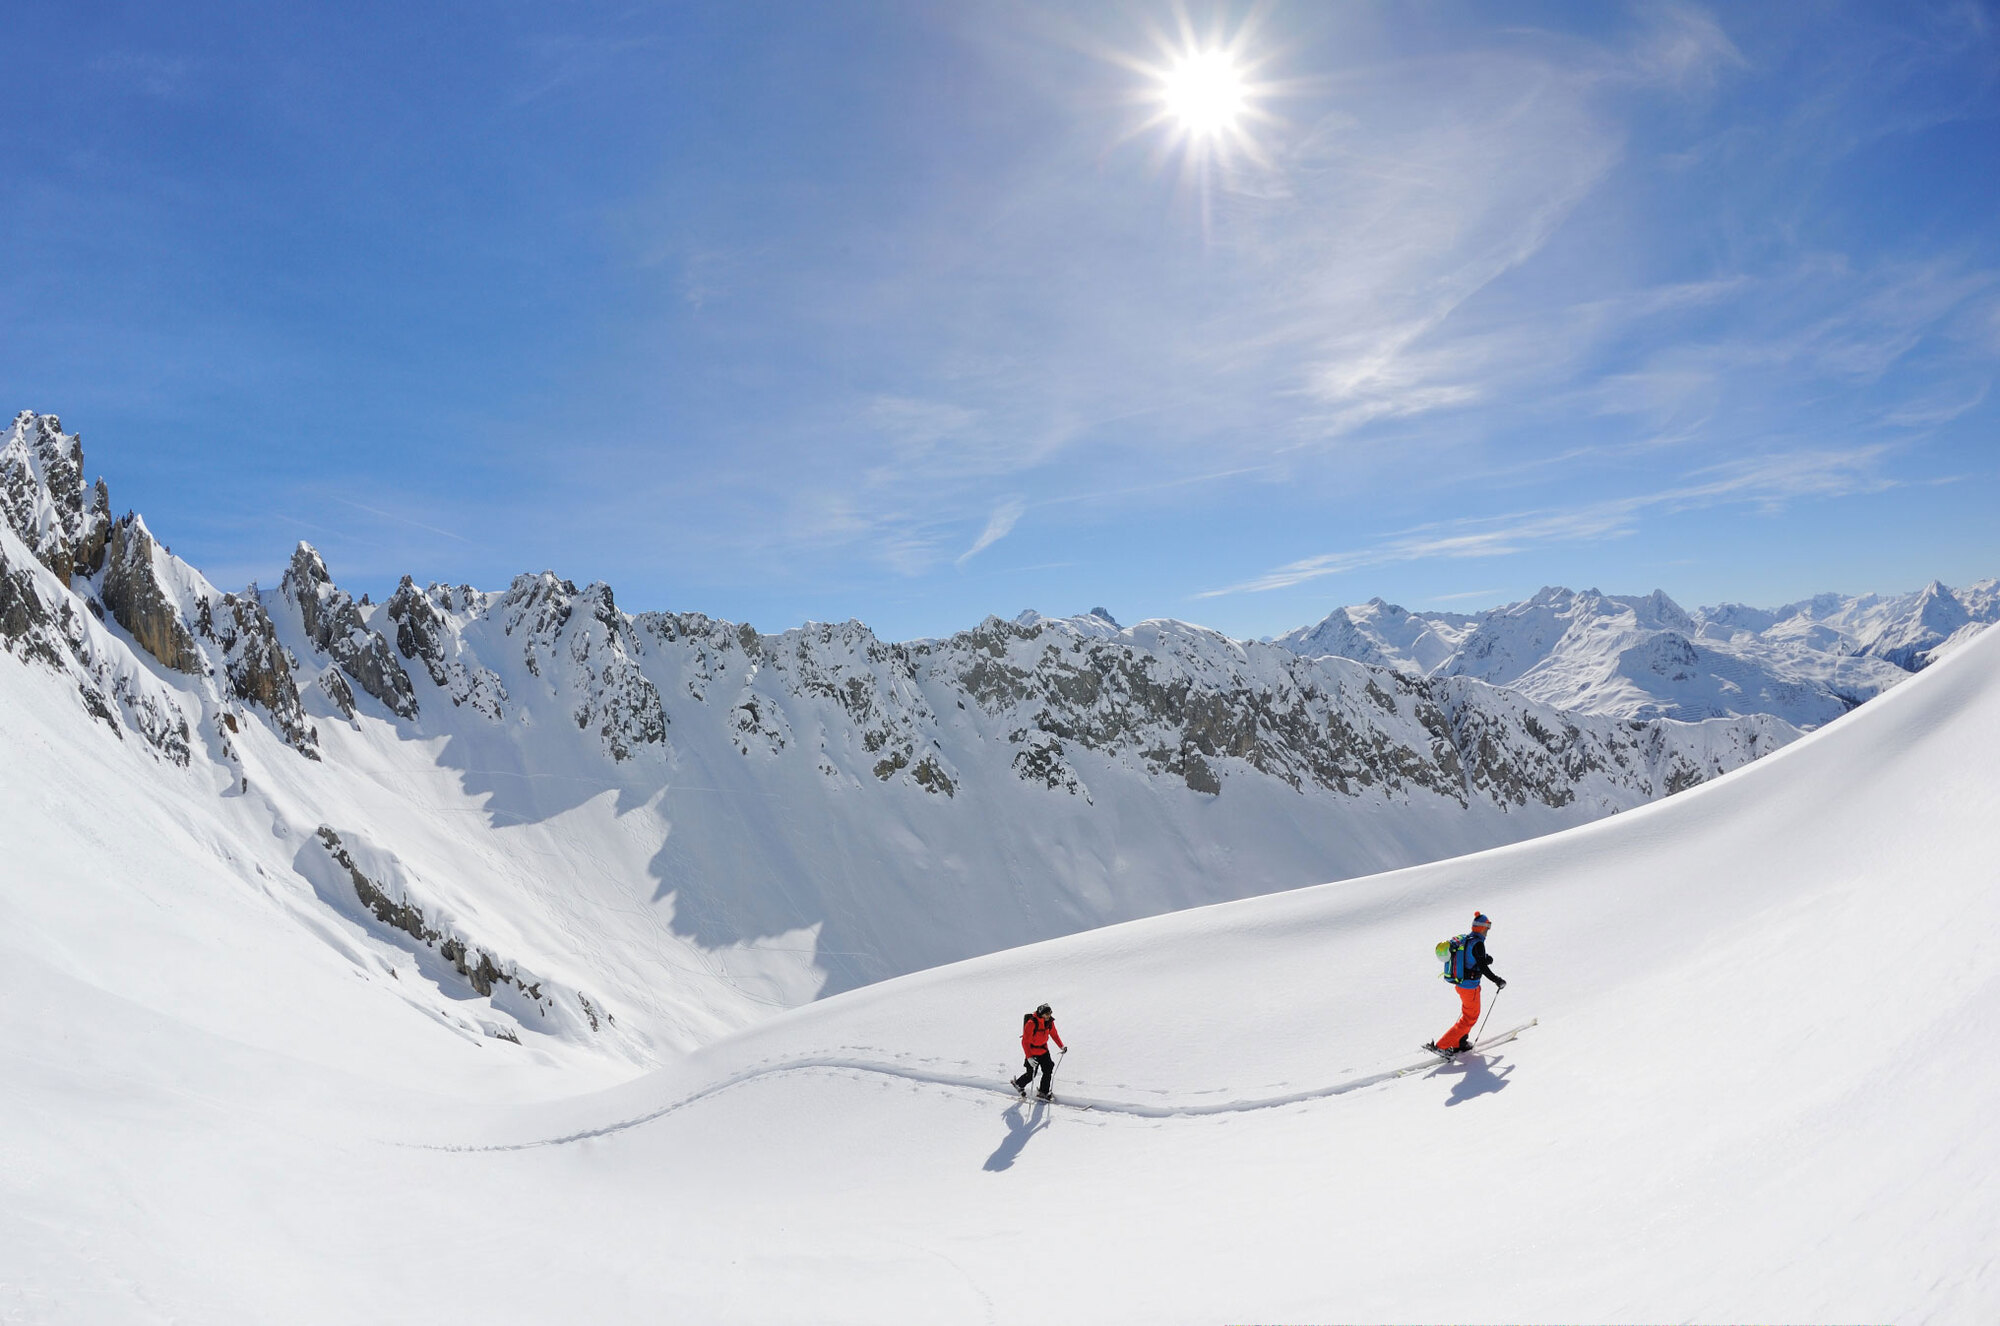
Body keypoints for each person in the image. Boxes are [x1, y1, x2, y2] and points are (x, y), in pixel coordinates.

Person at [1428, 912, 1506, 1058]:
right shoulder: (1478, 943)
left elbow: (1472, 959)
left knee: (1468, 1015)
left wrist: (1485, 959)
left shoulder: (1467, 939)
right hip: (1470, 987)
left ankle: (1460, 1043)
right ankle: (1442, 1046)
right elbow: (1483, 968)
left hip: (1462, 985)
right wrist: (1497, 980)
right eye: (1487, 928)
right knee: (1470, 1018)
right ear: (1482, 928)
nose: (1488, 931)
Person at [1012, 1002, 1065, 1099]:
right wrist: (1029, 1057)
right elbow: (1025, 1042)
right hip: (1032, 1052)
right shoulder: (1031, 1023)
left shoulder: (1049, 1022)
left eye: (1050, 1013)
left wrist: (1061, 1046)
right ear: (1041, 1014)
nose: (1049, 1016)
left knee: (1048, 1069)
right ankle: (1018, 1084)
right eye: (1047, 1014)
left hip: (1044, 1050)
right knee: (1031, 1074)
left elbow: (1054, 1034)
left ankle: (1043, 1092)